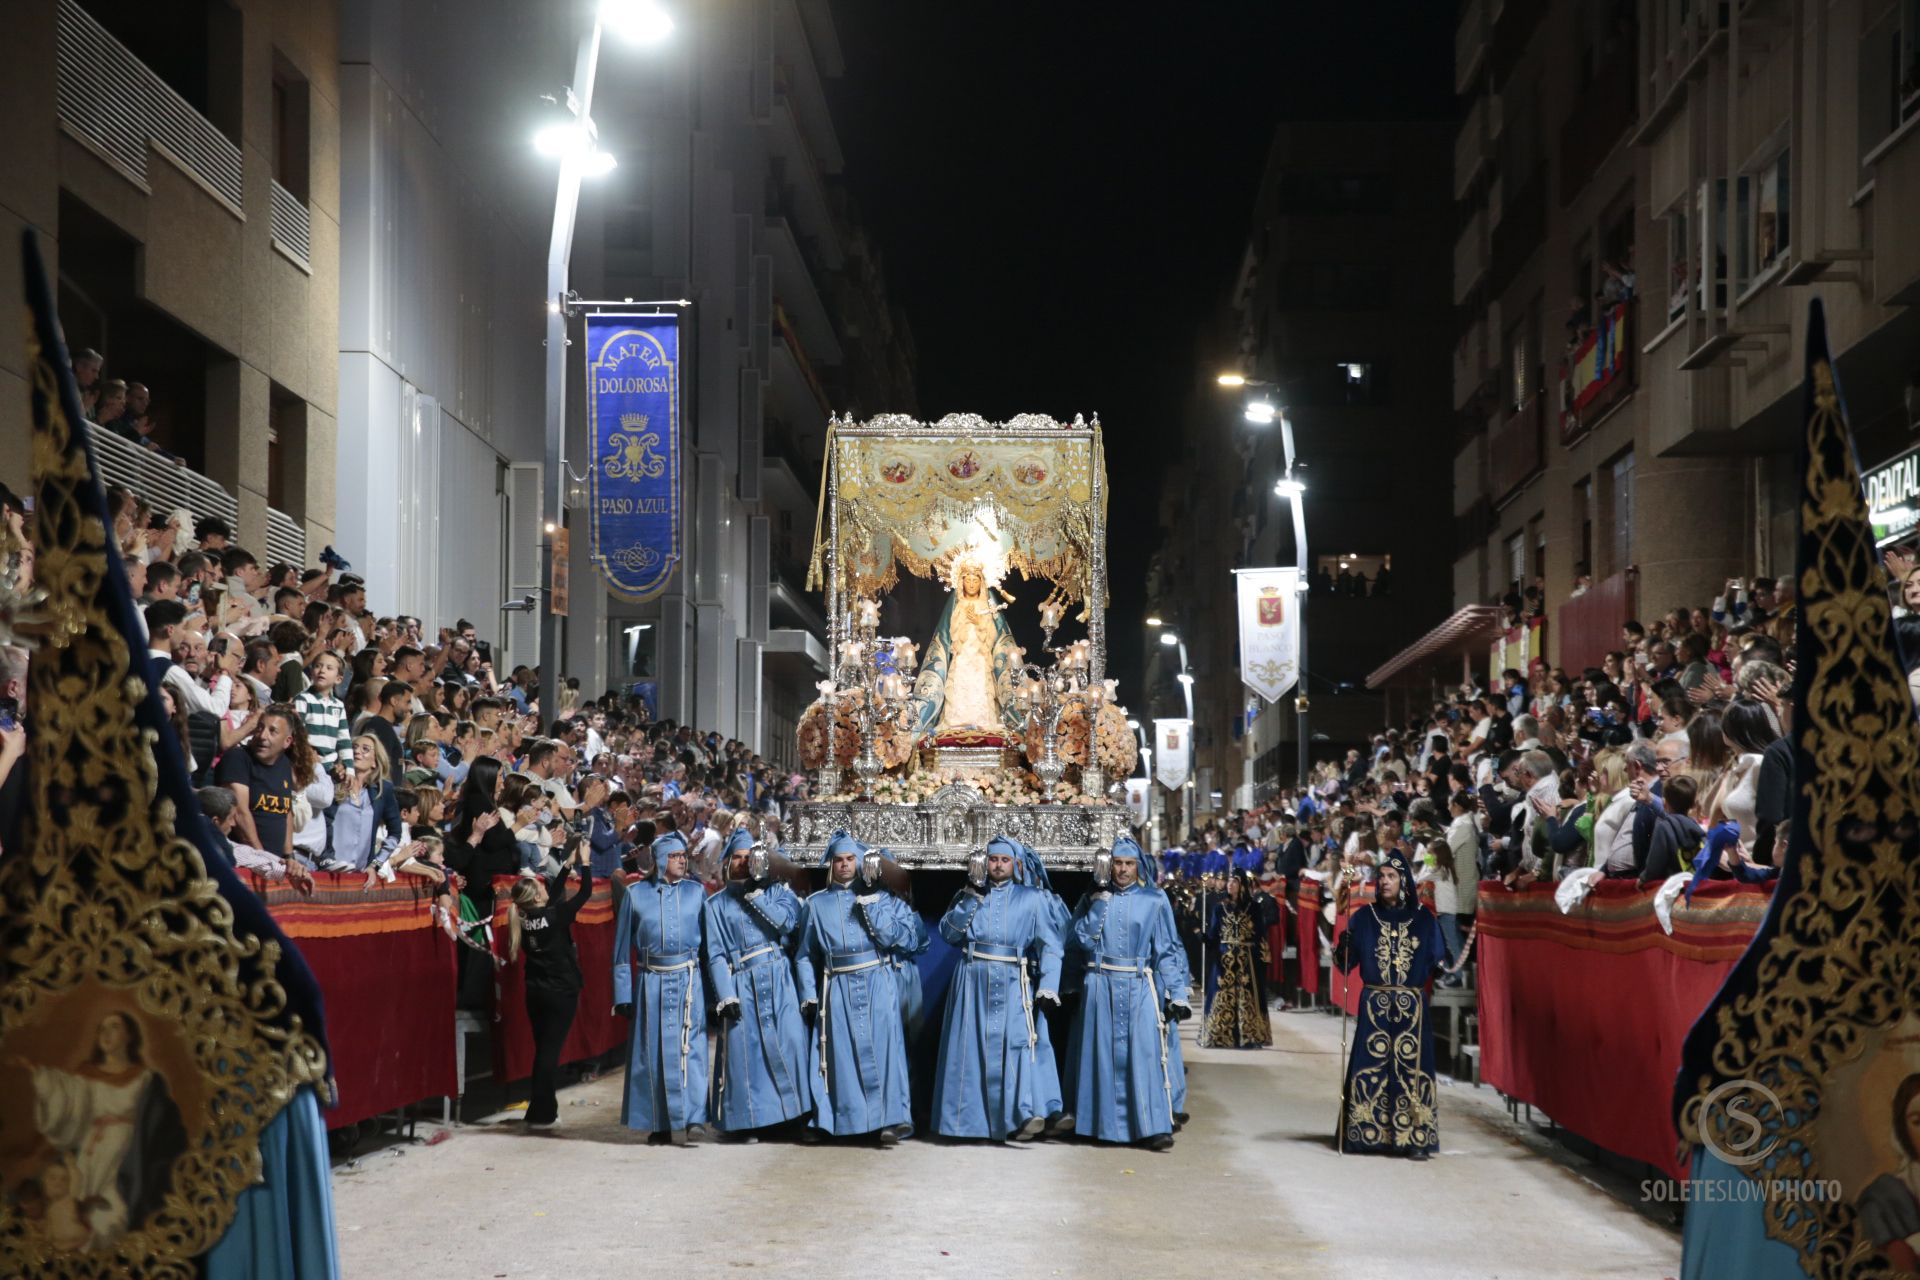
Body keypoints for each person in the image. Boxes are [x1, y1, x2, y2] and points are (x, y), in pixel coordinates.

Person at [930, 834, 1066, 1142]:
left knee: (1015, 1046)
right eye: (993, 860)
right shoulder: (967, 895)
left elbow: (1051, 946)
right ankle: (964, 1123)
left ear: (1015, 865)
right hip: (972, 978)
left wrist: (1048, 986)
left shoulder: (1033, 898)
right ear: (984, 863)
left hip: (1013, 980)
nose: (998, 866)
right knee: (970, 1047)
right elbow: (949, 935)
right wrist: (971, 897)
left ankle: (1020, 1116)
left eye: (1004, 860)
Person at [794, 830, 920, 1145]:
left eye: (851, 860)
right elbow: (804, 955)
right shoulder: (815, 904)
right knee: (840, 1055)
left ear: (861, 863)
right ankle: (840, 1122)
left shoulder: (882, 899)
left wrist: (871, 902)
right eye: (839, 860)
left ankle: (889, 1121)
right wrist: (809, 994)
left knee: (884, 1050)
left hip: (877, 980)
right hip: (837, 985)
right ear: (831, 865)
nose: (845, 866)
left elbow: (898, 940)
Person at [1065, 835, 1188, 1151]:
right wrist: (1097, 908)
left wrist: (1177, 992)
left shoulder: (1155, 899)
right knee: (1100, 1053)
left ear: (1138, 866)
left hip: (1137, 984)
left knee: (1144, 1055)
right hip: (1099, 982)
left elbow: (1167, 950)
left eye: (1128, 864)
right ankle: (1098, 1125)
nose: (1122, 870)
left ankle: (1153, 1126)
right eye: (1117, 863)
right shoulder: (1091, 899)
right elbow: (1080, 941)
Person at [1332, 847, 1447, 1158]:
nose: (1384, 882)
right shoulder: (1363, 918)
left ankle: (1414, 1137)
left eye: (1391, 876)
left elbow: (1438, 958)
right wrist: (1343, 943)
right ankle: (1366, 1134)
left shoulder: (1423, 918)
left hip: (1411, 1006)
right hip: (1375, 1004)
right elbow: (1345, 963)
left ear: (1403, 881)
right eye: (1381, 876)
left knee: (1412, 1070)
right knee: (1372, 1065)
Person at [701, 829, 811, 1138]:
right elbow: (716, 955)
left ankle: (796, 1117)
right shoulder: (716, 905)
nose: (742, 863)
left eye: (749, 858)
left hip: (778, 976)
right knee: (747, 1053)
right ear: (727, 861)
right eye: (737, 857)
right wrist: (726, 995)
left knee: (790, 1043)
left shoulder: (778, 892)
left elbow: (788, 924)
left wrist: (757, 894)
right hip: (742, 982)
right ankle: (749, 1121)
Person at [612, 829, 712, 1144]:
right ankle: (660, 1123)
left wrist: (716, 993)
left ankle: (695, 1117)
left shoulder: (697, 893)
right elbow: (621, 949)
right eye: (675, 856)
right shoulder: (635, 894)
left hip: (688, 983)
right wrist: (622, 995)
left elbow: (711, 948)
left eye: (684, 855)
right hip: (650, 982)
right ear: (658, 859)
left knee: (691, 1050)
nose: (682, 860)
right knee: (652, 1053)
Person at [507, 840, 593, 1128]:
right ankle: (542, 1113)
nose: (545, 886)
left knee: (543, 1050)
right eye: (542, 886)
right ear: (537, 895)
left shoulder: (525, 918)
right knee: (549, 1054)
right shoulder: (553, 917)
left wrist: (568, 863)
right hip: (560, 992)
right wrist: (586, 864)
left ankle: (541, 1109)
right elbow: (585, 893)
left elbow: (552, 897)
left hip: (536, 991)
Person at [1202, 871, 1271, 1048]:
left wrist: (1259, 955)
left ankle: (1250, 1036)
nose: (1230, 884)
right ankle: (1219, 1035)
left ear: (1242, 886)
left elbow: (1260, 934)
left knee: (1247, 993)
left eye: (1234, 882)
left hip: (1246, 957)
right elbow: (1214, 935)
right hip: (1225, 957)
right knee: (1221, 993)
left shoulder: (1254, 907)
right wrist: (1203, 937)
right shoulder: (1219, 908)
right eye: (1229, 881)